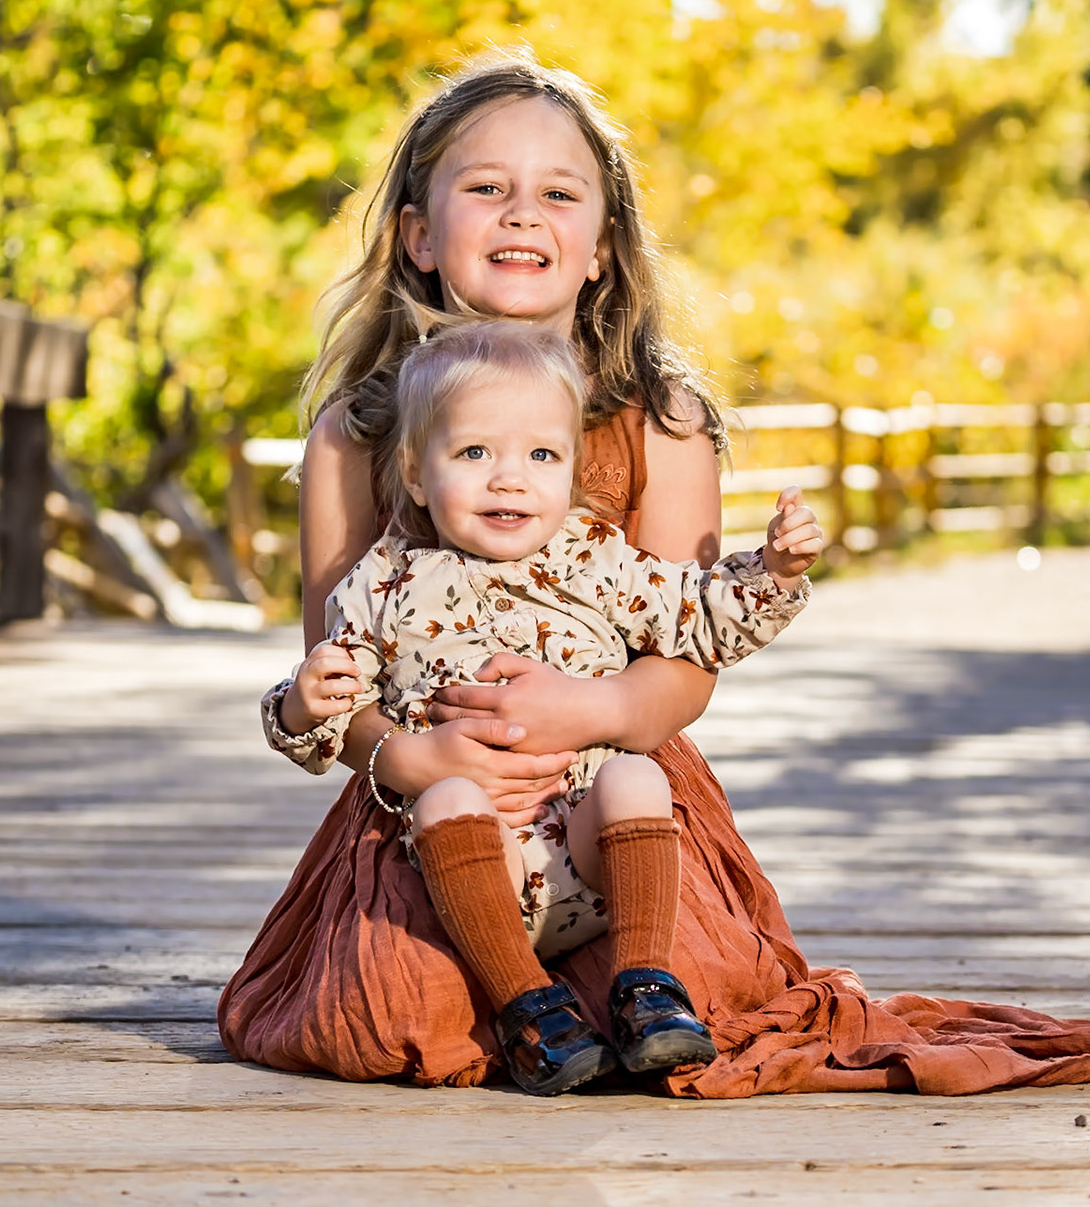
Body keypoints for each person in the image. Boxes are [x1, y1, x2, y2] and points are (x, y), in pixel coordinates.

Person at [219, 51, 1090, 1097]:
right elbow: (333, 676)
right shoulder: (358, 433)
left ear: (601, 248)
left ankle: (628, 991)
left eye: (557, 193)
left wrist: (583, 706)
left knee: (699, 990)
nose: (521, 214)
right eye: (486, 188)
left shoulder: (659, 418)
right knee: (394, 1017)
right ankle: (518, 992)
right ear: (417, 232)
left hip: (617, 785)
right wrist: (411, 756)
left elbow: (688, 661)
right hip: (427, 804)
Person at [266, 320, 821, 1095]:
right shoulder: (382, 581)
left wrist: (773, 571)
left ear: (567, 469)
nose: (509, 479)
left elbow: (698, 619)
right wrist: (301, 705)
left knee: (635, 777)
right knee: (447, 796)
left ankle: (646, 990)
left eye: (540, 456)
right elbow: (332, 700)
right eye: (473, 454)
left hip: (592, 843)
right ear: (417, 476)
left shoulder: (595, 558)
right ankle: (529, 1008)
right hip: (470, 859)